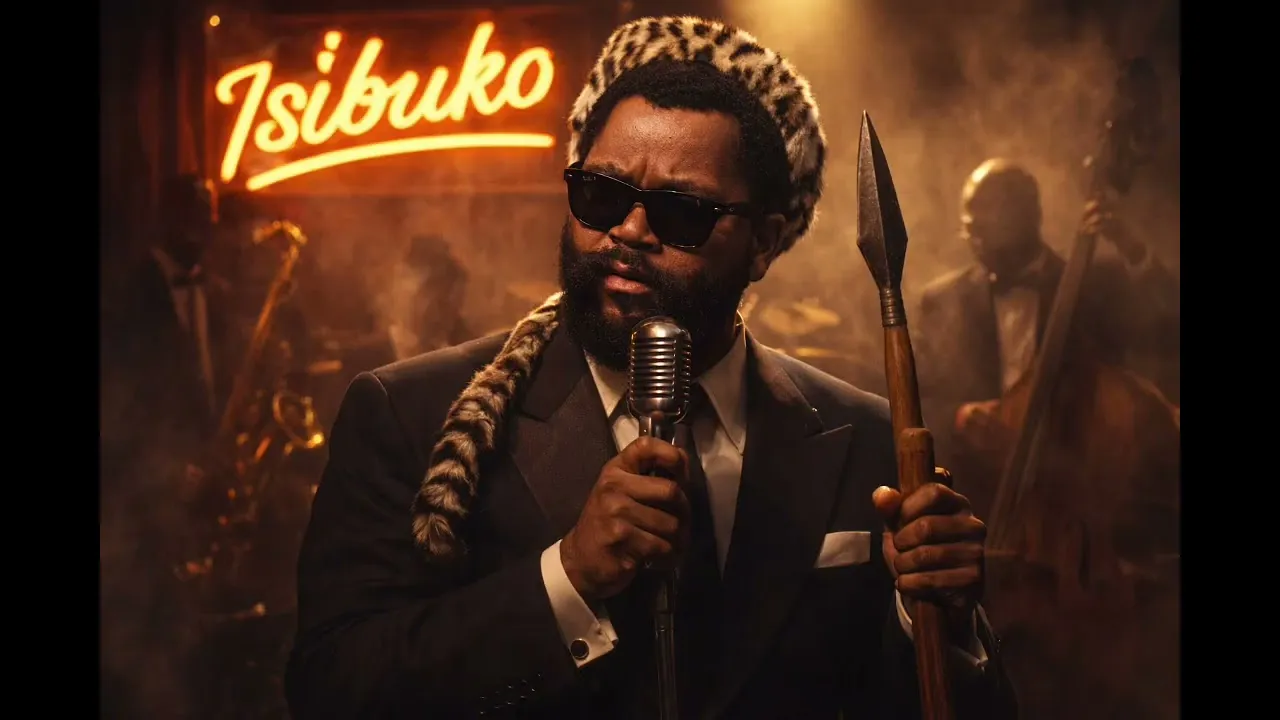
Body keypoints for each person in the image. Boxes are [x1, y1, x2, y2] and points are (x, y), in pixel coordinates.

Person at [286, 17, 1017, 719]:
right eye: (601, 194)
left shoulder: (863, 436)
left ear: (763, 243)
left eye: (682, 211)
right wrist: (567, 578)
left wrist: (940, 622)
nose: (628, 231)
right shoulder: (409, 414)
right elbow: (333, 690)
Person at [914, 158, 1180, 484]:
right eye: (971, 228)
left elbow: (1167, 326)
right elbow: (917, 401)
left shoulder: (1088, 288)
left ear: (1032, 216)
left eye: (990, 225)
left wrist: (1132, 248)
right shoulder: (940, 300)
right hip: (973, 486)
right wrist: (958, 417)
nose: (977, 240)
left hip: (1075, 481)